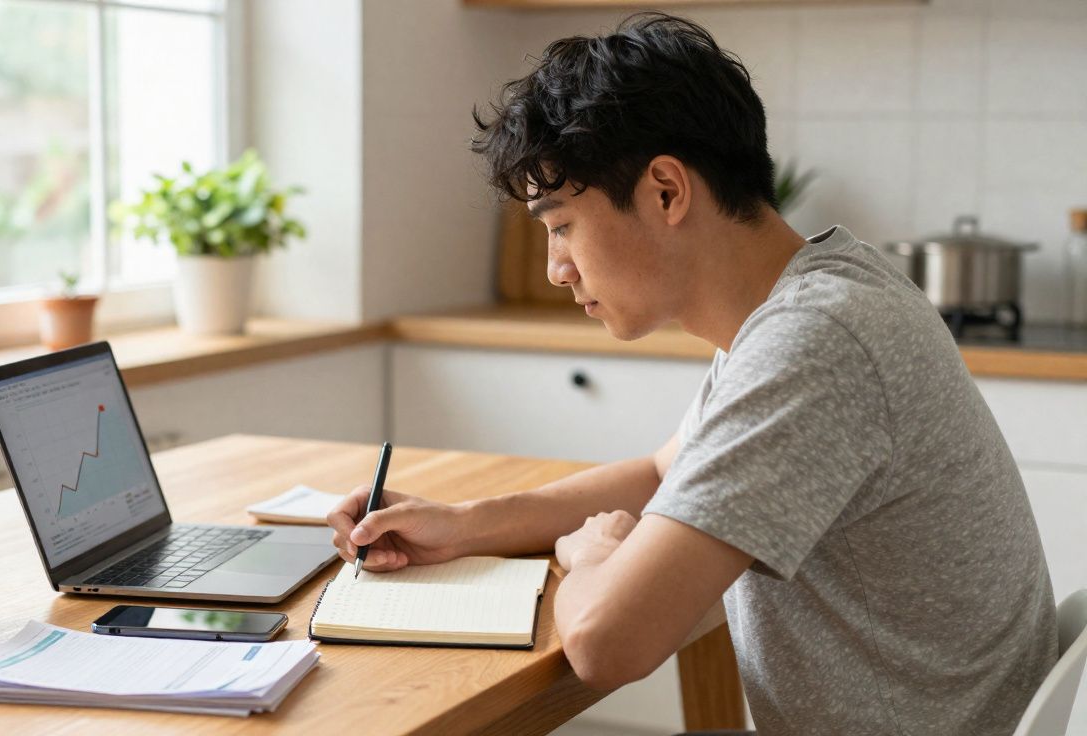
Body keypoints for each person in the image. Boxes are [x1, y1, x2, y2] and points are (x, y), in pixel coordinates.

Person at [326, 12, 1056, 736]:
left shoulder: (814, 340)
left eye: (562, 225)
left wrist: (592, 557)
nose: (555, 269)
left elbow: (607, 643)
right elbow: (661, 474)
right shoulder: (812, 296)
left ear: (667, 191)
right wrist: (463, 526)